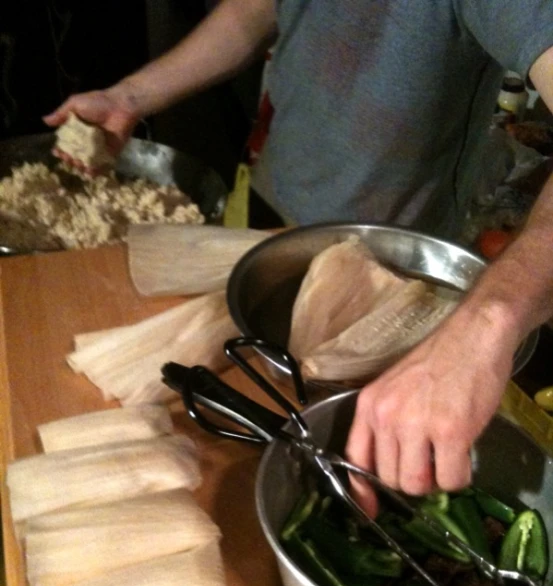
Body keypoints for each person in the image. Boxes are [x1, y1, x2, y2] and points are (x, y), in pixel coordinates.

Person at [44, 1, 553, 515]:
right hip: (267, 220)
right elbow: (253, 11)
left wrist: (487, 321)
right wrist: (129, 97)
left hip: (389, 284)